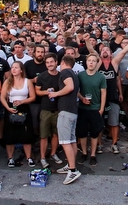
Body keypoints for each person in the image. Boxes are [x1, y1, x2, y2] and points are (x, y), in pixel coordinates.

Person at [52, 54, 82, 185]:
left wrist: (56, 93)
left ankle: (73, 170)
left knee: (64, 141)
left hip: (66, 111)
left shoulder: (65, 72)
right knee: (72, 140)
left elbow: (69, 87)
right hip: (73, 111)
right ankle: (71, 165)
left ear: (63, 62)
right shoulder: (74, 73)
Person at [1, 61, 36, 167]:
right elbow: (2, 97)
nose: (13, 69)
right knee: (10, 134)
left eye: (16, 67)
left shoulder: (27, 82)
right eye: (12, 67)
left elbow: (33, 97)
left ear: (21, 70)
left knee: (26, 134)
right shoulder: (8, 82)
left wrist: (22, 102)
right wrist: (7, 108)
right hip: (11, 107)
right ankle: (10, 158)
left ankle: (29, 157)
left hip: (24, 107)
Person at [75, 54, 106, 167]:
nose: (91, 62)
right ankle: (84, 152)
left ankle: (93, 154)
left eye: (94, 61)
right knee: (82, 133)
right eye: (89, 60)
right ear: (86, 62)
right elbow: (76, 90)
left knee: (94, 133)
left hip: (95, 109)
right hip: (83, 108)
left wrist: (101, 108)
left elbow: (103, 93)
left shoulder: (101, 77)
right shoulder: (80, 75)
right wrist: (82, 98)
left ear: (97, 63)